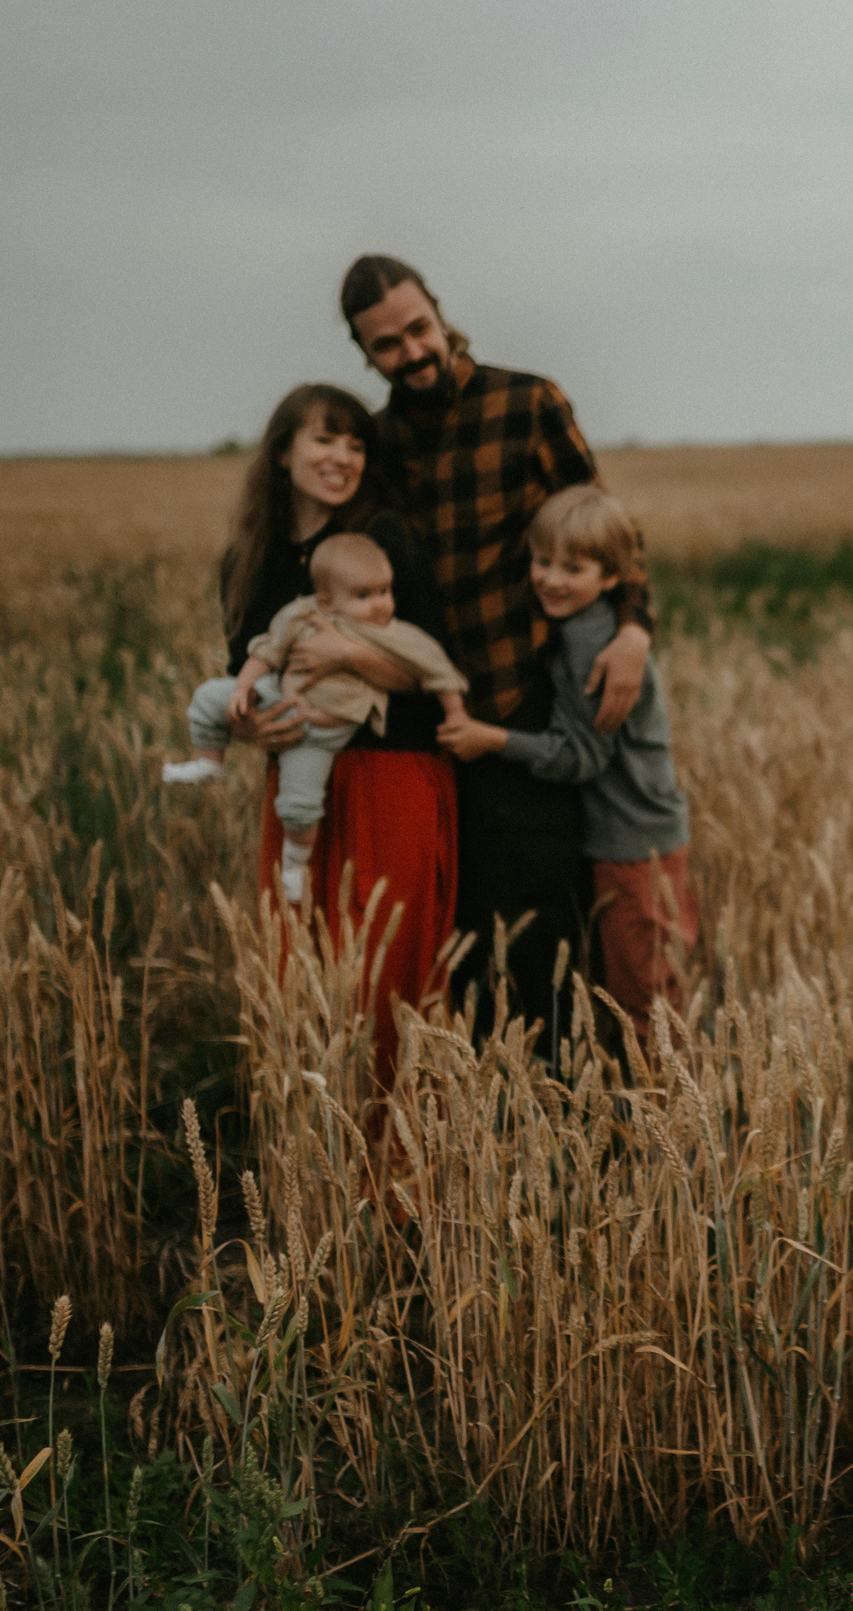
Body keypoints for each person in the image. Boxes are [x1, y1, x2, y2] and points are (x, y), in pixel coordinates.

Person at [333, 253, 654, 1051]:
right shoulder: (379, 444)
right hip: (428, 729)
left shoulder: (528, 403)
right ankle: (489, 1109)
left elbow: (606, 530)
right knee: (463, 939)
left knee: (542, 938)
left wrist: (634, 628)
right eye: (386, 344)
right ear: (365, 353)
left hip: (523, 708)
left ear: (440, 315)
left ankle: (564, 1104)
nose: (411, 351)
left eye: (419, 329)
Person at [213, 383, 462, 1077]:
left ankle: (398, 1140)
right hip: (298, 781)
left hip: (390, 774)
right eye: (324, 439)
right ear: (282, 451)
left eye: (355, 445)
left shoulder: (382, 540)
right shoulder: (249, 558)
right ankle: (309, 1132)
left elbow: (437, 666)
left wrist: (346, 655)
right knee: (296, 962)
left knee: (387, 972)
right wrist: (251, 727)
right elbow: (243, 669)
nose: (342, 457)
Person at [436, 487, 697, 1044]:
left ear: (612, 578)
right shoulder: (588, 626)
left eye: (572, 568)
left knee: (645, 1003)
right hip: (640, 837)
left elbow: (581, 757)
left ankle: (668, 1098)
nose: (551, 579)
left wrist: (491, 739)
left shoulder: (592, 643)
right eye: (542, 561)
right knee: (638, 992)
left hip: (634, 847)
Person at [168, 532, 467, 904]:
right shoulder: (302, 614)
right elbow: (266, 653)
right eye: (364, 595)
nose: (380, 604)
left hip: (319, 733)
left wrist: (456, 713)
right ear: (327, 600)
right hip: (278, 698)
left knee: (300, 804)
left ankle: (295, 866)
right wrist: (242, 690)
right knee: (207, 697)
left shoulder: (395, 635)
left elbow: (438, 671)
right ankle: (209, 762)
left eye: (385, 591)